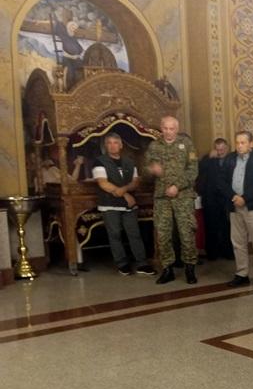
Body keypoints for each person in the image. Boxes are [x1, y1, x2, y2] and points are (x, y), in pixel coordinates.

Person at [91, 133, 155, 276]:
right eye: (109, 143)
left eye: (115, 143)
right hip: (109, 204)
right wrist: (125, 194)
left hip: (129, 205)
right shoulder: (99, 162)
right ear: (105, 146)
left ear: (121, 145)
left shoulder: (129, 162)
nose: (112, 146)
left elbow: (135, 182)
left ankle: (142, 263)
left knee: (134, 233)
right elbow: (103, 183)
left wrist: (124, 189)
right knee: (115, 235)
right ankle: (122, 264)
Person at [146, 115, 199, 285]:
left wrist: (177, 186)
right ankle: (167, 269)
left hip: (183, 197)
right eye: (165, 128)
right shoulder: (154, 146)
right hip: (162, 198)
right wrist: (151, 170)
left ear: (177, 129)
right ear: (161, 128)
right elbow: (145, 171)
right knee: (163, 235)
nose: (168, 132)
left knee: (186, 233)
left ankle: (190, 268)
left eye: (172, 128)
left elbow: (193, 170)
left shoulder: (186, 144)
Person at [219, 131, 253, 289]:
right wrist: (233, 196)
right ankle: (242, 274)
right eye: (237, 143)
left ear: (251, 144)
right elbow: (221, 181)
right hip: (234, 206)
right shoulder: (230, 158)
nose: (239, 146)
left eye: (243, 143)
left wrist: (245, 198)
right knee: (238, 242)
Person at [197, 138, 233, 261]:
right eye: (218, 149)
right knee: (211, 227)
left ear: (227, 148)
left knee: (227, 227)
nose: (220, 152)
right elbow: (199, 169)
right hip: (210, 200)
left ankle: (228, 252)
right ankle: (212, 253)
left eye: (223, 149)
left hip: (227, 199)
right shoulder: (208, 159)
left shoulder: (232, 158)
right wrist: (208, 157)